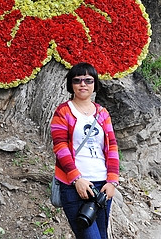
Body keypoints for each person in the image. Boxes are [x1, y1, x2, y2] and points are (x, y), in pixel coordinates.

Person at [50, 62, 120, 239]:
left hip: (102, 186)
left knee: (102, 236)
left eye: (88, 80)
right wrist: (76, 179)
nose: (83, 84)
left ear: (95, 84)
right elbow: (60, 147)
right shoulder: (63, 111)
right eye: (77, 80)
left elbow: (111, 146)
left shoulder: (102, 113)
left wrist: (112, 181)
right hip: (74, 186)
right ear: (71, 85)